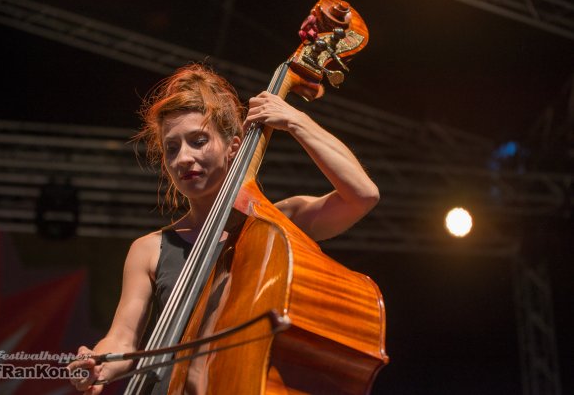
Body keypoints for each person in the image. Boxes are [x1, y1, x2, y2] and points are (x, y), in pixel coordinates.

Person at [68, 63, 379, 394]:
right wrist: (99, 362)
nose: (183, 158)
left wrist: (295, 120)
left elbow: (361, 195)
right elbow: (122, 339)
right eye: (172, 148)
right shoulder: (149, 248)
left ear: (234, 146)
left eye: (198, 141)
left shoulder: (279, 224)